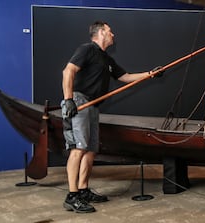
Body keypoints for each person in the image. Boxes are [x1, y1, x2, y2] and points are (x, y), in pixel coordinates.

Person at [61, 21, 163, 213]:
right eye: (109, 31)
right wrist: (68, 101)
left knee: (90, 150)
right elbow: (68, 71)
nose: (113, 34)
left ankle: (83, 190)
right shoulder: (87, 49)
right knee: (79, 148)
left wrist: (151, 74)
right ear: (100, 33)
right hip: (80, 102)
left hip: (93, 106)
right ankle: (72, 196)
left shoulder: (106, 59)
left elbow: (125, 77)